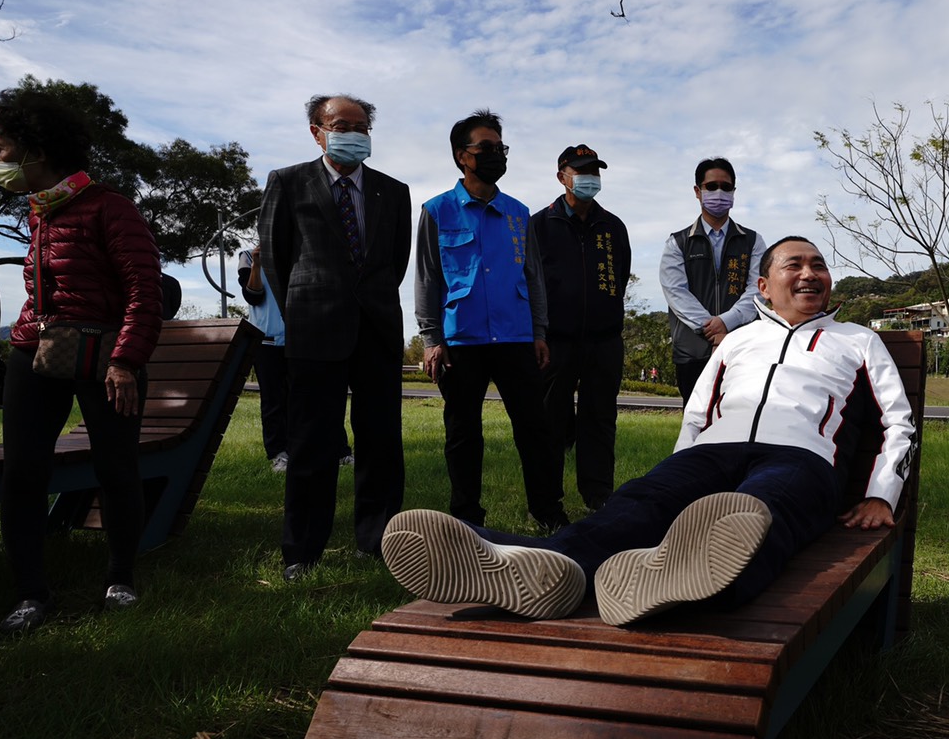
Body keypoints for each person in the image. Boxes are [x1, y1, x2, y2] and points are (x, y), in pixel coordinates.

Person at [379, 236, 915, 626]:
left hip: (800, 460)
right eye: (794, 264)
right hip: (712, 452)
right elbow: (697, 412)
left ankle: (671, 579)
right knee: (636, 507)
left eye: (819, 266)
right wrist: (682, 474)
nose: (809, 274)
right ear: (763, 285)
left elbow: (898, 420)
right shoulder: (737, 339)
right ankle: (536, 563)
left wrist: (880, 494)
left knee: (759, 512)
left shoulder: (857, 339)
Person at [0, 88, 163, 633]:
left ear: (36, 150)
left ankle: (120, 578)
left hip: (106, 356)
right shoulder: (39, 209)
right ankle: (31, 594)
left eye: (2, 148)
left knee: (116, 467)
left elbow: (144, 289)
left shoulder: (110, 207)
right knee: (23, 471)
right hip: (34, 349)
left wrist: (125, 361)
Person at [257, 94, 411, 580]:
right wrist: (304, 310)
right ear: (316, 130)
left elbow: (396, 261)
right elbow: (277, 259)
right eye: (342, 124)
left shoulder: (394, 191)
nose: (353, 133)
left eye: (362, 126)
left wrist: (373, 300)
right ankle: (302, 550)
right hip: (314, 328)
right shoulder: (288, 182)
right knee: (312, 441)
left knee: (381, 440)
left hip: (378, 328)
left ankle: (380, 539)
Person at [414, 110, 565, 532]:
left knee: (535, 429)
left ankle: (548, 510)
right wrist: (431, 339)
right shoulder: (437, 210)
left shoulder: (518, 213)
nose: (496, 154)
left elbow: (532, 276)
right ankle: (466, 517)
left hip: (516, 336)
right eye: (486, 148)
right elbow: (427, 278)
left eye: (501, 148)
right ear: (463, 155)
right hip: (461, 340)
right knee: (463, 434)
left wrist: (538, 332)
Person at [530, 144, 631, 512]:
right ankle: (547, 502)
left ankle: (599, 496)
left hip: (604, 341)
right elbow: (529, 282)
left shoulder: (613, 227)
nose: (590, 178)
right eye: (581, 171)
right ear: (562, 177)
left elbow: (619, 279)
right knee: (550, 421)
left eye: (595, 172)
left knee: (600, 419)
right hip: (555, 342)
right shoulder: (539, 225)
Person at [237, 245, 354, 473]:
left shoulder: (304, 253)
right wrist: (258, 265)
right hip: (267, 341)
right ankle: (279, 454)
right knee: (273, 402)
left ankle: (339, 451)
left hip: (304, 338)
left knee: (319, 397)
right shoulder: (248, 256)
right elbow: (253, 296)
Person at [660, 157, 766, 402]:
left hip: (741, 348)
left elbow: (758, 289)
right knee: (695, 419)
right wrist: (714, 330)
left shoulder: (753, 241)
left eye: (726, 187)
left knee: (740, 417)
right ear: (698, 191)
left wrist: (727, 324)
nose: (719, 192)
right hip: (692, 351)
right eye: (711, 186)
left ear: (734, 192)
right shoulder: (678, 242)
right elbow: (676, 293)